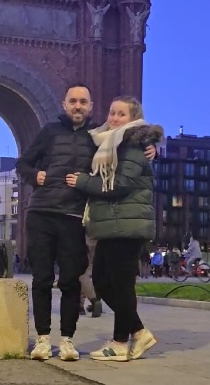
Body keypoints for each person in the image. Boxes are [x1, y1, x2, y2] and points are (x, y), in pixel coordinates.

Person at [16, 84, 156, 362]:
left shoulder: (98, 138)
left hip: (74, 217)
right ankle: (43, 340)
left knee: (71, 281)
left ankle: (67, 341)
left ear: (90, 107)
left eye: (83, 102)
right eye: (73, 101)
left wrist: (149, 146)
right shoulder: (50, 133)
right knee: (42, 279)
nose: (78, 106)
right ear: (64, 104)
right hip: (42, 213)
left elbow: (127, 147)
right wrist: (35, 176)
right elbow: (23, 164)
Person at [66, 95, 162, 362]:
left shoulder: (132, 144)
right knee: (102, 282)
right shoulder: (110, 141)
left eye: (121, 114)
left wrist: (84, 182)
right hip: (113, 225)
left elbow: (120, 184)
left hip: (128, 224)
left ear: (133, 119)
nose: (114, 118)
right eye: (111, 112)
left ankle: (121, 343)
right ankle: (139, 332)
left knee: (119, 284)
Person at [79, 235, 102, 317]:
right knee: (87, 272)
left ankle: (93, 300)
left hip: (84, 236)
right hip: (98, 237)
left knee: (81, 272)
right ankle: (80, 305)